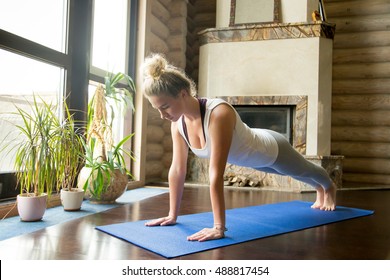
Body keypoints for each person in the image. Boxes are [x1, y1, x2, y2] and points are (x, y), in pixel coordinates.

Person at [142, 53, 337, 242]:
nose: (162, 115)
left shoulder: (218, 114)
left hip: (270, 148)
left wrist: (219, 227)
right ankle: (318, 188)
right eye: (157, 109)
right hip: (252, 160)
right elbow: (177, 169)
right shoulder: (178, 123)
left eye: (165, 107)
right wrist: (172, 215)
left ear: (183, 94)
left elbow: (216, 174)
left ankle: (328, 186)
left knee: (304, 169)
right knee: (293, 173)